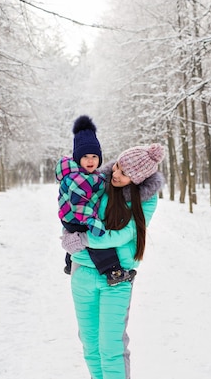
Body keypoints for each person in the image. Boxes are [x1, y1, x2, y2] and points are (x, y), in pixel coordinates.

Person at [61, 143, 166, 379]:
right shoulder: (97, 182)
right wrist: (69, 237)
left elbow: (123, 235)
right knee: (91, 345)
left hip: (117, 279)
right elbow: (73, 210)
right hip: (83, 272)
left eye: (124, 173)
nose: (115, 175)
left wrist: (83, 239)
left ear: (138, 179)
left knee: (112, 348)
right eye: (117, 167)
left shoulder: (146, 199)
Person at [56, 115, 135, 286]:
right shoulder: (78, 179)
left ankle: (70, 263)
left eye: (94, 156)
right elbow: (80, 206)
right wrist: (93, 223)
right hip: (75, 215)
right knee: (96, 242)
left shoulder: (88, 174)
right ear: (77, 158)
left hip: (70, 214)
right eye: (85, 157)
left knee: (77, 236)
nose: (90, 160)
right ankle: (112, 271)